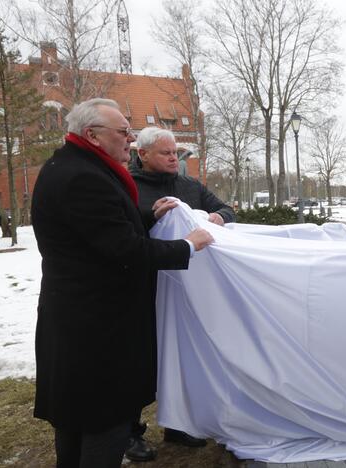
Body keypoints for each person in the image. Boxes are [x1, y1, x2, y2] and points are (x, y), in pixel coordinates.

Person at [30, 98, 213, 468]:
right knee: (103, 421)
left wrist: (147, 216)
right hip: (96, 328)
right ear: (93, 136)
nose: (130, 139)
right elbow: (124, 251)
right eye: (123, 132)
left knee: (75, 418)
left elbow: (98, 236)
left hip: (77, 321)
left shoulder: (73, 166)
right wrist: (186, 246)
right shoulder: (84, 177)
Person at [123, 127, 235, 461]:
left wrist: (214, 217)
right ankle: (130, 432)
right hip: (146, 287)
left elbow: (227, 210)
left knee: (183, 354)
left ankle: (179, 421)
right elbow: (126, 236)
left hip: (187, 290)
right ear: (142, 154)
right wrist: (151, 218)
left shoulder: (189, 186)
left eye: (176, 153)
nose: (174, 158)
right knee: (142, 359)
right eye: (166, 153)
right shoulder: (129, 188)